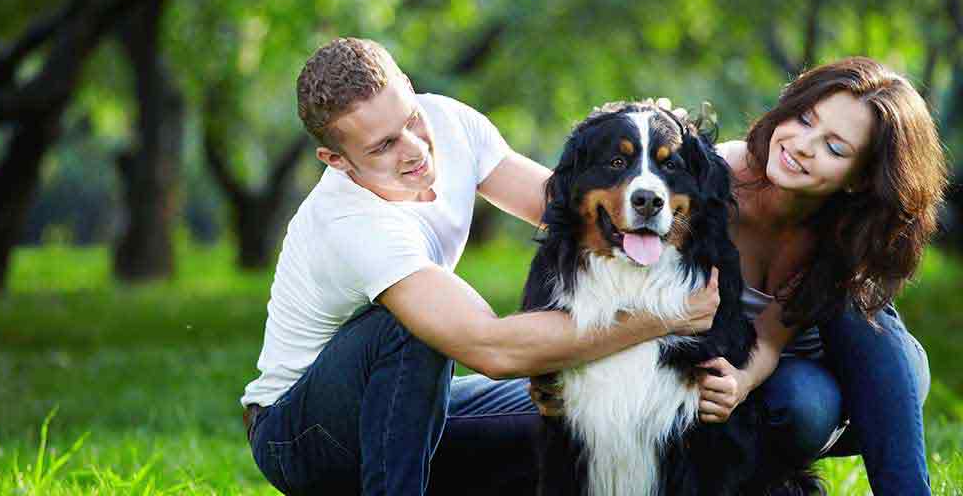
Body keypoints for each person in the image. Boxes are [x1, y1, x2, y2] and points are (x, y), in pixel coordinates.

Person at [240, 37, 722, 496]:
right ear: (336, 160)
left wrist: (678, 152)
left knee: (582, 407)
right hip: (301, 435)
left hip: (412, 409)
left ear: (408, 86)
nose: (414, 147)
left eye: (410, 119)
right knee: (407, 329)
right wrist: (666, 316)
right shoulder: (354, 224)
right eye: (383, 146)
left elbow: (567, 210)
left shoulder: (449, 121)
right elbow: (491, 349)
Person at [690, 57, 947, 494]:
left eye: (836, 148)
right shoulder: (711, 182)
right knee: (802, 403)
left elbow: (775, 332)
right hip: (790, 389)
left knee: (854, 309)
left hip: (876, 376)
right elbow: (768, 342)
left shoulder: (847, 230)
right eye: (805, 119)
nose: (804, 145)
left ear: (859, 180)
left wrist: (742, 380)